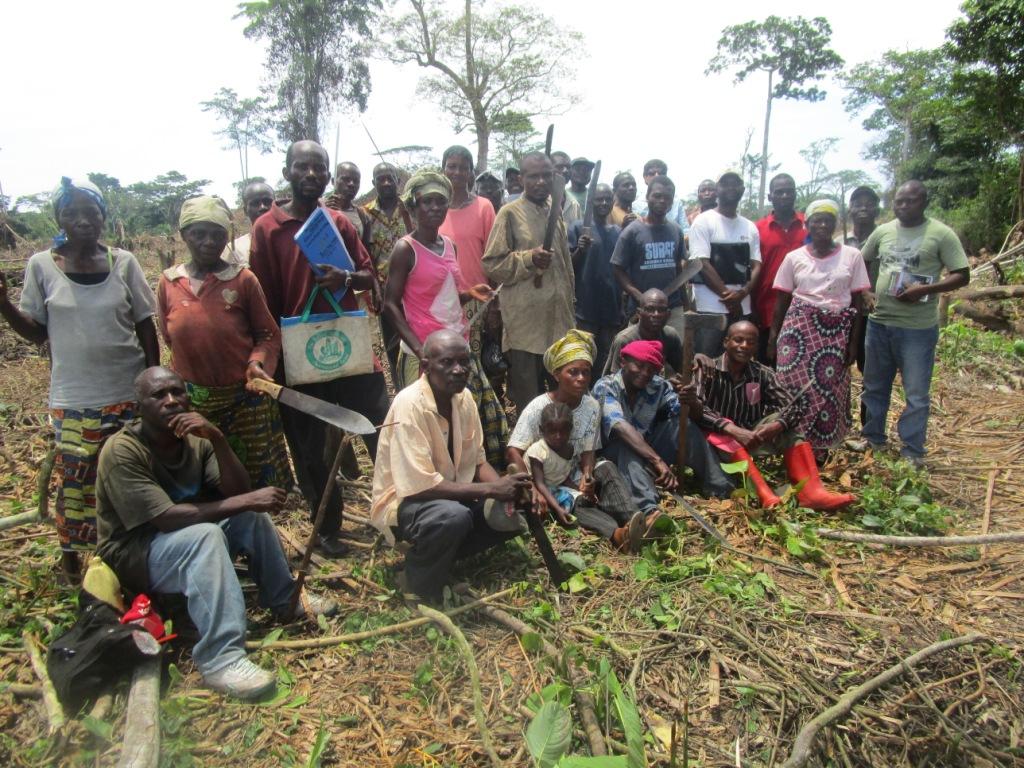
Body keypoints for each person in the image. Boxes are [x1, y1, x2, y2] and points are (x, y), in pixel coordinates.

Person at [95, 367, 336, 701]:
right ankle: (220, 658)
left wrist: (218, 439)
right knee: (207, 536)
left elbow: (236, 491)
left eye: (177, 392)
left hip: (185, 535)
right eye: (159, 395)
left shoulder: (197, 441)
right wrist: (248, 498)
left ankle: (284, 598)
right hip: (136, 552)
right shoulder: (123, 451)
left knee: (248, 516)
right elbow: (164, 519)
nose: (171, 401)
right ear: (139, 406)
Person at [0, 177, 159, 580]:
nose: (83, 220)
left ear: (104, 216)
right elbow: (38, 332)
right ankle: (73, 564)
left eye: (91, 211)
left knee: (131, 476)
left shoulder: (124, 262)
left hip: (127, 391)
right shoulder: (41, 266)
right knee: (76, 483)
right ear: (59, 218)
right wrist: (3, 305)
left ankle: (133, 557)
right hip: (74, 398)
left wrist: (151, 387)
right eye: (71, 212)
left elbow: (145, 327)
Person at [249, 140, 389, 557]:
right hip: (298, 351)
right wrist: (273, 362)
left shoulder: (340, 223)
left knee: (380, 428)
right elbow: (264, 301)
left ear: (327, 175)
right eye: (303, 167)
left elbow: (369, 276)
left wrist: (344, 277)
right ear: (288, 171)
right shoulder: (268, 229)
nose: (312, 174)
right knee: (308, 444)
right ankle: (327, 526)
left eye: (319, 168)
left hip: (350, 344)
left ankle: (396, 512)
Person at [370, 330, 533, 602]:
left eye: (464, 362)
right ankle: (417, 583)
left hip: (450, 497)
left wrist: (509, 491)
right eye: (447, 363)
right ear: (425, 367)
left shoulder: (464, 398)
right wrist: (493, 488)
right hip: (407, 504)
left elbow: (478, 460)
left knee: (507, 515)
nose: (458, 370)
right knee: (453, 518)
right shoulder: (409, 405)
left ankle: (442, 558)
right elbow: (418, 487)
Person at [157, 196, 290, 489]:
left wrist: (257, 362)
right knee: (205, 479)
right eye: (199, 234)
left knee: (254, 480)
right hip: (195, 401)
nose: (208, 242)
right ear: (183, 236)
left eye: (217, 234)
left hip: (244, 399)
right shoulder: (168, 283)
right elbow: (169, 338)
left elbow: (267, 335)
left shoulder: (242, 280)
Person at [383, 169, 509, 467]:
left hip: (458, 347)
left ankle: (474, 476)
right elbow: (389, 305)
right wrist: (419, 350)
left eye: (441, 202)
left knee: (479, 416)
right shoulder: (406, 249)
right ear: (413, 207)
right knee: (430, 426)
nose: (435, 208)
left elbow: (443, 294)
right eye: (427, 202)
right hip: (426, 354)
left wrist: (469, 293)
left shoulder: (448, 245)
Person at [686, 321, 855, 510]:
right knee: (720, 435)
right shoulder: (707, 369)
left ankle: (811, 493)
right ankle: (764, 494)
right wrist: (732, 430)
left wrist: (777, 425)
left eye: (750, 342)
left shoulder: (762, 373)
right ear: (726, 342)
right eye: (738, 340)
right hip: (716, 442)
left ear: (756, 347)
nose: (744, 346)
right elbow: (697, 408)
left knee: (786, 426)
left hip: (752, 438)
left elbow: (795, 406)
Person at [506, 331, 650, 552]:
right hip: (545, 478)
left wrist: (587, 474)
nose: (581, 378)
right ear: (556, 375)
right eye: (573, 372)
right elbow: (514, 451)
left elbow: (588, 450)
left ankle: (637, 522)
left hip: (571, 470)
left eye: (585, 372)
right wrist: (532, 485)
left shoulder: (591, 406)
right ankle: (617, 534)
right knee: (575, 501)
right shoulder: (538, 407)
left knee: (607, 469)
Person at [859, 180, 969, 466]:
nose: (904, 206)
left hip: (917, 328)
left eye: (911, 201)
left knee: (917, 393)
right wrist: (866, 292)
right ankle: (873, 438)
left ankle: (912, 450)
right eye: (899, 201)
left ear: (924, 203)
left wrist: (925, 290)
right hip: (880, 323)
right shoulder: (883, 232)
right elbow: (860, 262)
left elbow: (961, 274)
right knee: (874, 386)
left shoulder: (941, 234)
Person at [768, 200, 871, 456]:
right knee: (792, 387)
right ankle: (791, 445)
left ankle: (822, 448)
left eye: (828, 220)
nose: (822, 225)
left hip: (837, 332)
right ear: (807, 225)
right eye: (817, 220)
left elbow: (858, 304)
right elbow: (781, 303)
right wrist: (774, 340)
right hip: (799, 332)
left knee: (831, 390)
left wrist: (854, 344)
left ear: (835, 223)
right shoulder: (794, 258)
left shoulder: (852, 256)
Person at [482, 151, 575, 415]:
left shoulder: (554, 211)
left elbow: (565, 268)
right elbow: (492, 264)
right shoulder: (509, 213)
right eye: (533, 176)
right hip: (526, 331)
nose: (541, 182)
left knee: (562, 402)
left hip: (559, 328)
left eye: (547, 176)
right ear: (521, 178)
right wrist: (528, 258)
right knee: (530, 405)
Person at [592, 340, 732, 514]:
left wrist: (691, 400)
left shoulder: (658, 385)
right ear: (623, 362)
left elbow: (688, 416)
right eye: (639, 365)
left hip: (647, 449)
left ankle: (721, 488)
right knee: (625, 444)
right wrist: (657, 461)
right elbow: (619, 426)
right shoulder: (606, 386)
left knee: (681, 426)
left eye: (651, 369)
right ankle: (649, 509)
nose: (644, 373)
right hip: (613, 454)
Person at [688, 172, 762, 357]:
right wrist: (730, 299)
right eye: (725, 184)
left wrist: (742, 294)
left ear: (742, 190)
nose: (730, 188)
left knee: (739, 365)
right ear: (717, 190)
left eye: (735, 184)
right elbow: (701, 263)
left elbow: (757, 265)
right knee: (706, 363)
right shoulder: (703, 222)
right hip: (710, 309)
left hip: (742, 309)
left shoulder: (749, 227)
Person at [611, 175, 691, 338]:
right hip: (642, 310)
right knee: (641, 358)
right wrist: (639, 297)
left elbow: (679, 270)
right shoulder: (632, 231)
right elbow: (617, 268)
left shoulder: (676, 230)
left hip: (672, 308)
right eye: (657, 196)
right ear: (647, 197)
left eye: (667, 197)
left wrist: (687, 306)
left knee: (675, 356)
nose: (662, 201)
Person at [568, 183, 622, 374]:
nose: (604, 203)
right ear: (591, 201)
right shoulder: (577, 228)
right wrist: (580, 250)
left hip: (611, 310)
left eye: (608, 198)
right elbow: (568, 268)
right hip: (585, 309)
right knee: (583, 360)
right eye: (599, 199)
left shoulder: (617, 232)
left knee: (606, 363)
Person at [754, 174, 806, 362]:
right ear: (770, 197)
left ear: (795, 194)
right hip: (766, 310)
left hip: (803, 311)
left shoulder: (809, 225)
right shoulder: (757, 229)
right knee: (767, 366)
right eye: (779, 192)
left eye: (789, 192)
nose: (785, 196)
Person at [604, 289, 684, 376]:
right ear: (639, 313)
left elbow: (682, 369)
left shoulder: (670, 336)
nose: (656, 315)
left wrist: (696, 359)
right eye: (650, 309)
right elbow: (615, 383)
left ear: (668, 314)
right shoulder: (625, 340)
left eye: (661, 310)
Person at [223, 181, 276, 266]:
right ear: (245, 211)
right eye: (255, 203)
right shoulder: (234, 250)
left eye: (267, 201)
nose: (263, 207)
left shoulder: (292, 240)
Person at [633, 159, 690, 234]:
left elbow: (685, 231)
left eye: (661, 173)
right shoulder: (636, 205)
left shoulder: (676, 202)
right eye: (652, 174)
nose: (657, 176)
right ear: (645, 177)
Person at [325, 162, 372, 245]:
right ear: (333, 181)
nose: (351, 184)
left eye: (356, 181)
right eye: (346, 179)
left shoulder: (363, 216)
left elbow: (365, 251)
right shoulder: (318, 208)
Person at [550, 151, 583, 224]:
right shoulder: (539, 200)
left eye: (568, 167)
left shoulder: (574, 204)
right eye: (559, 167)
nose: (565, 171)